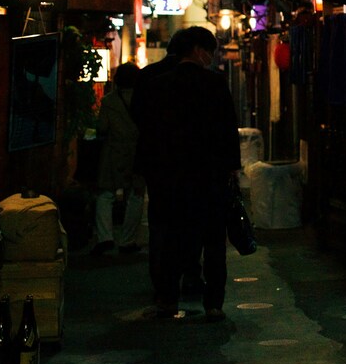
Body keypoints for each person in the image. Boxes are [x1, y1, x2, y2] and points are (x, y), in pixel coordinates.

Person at [131, 26, 240, 320]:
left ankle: (167, 299)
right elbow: (228, 130)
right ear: (197, 49)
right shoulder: (216, 84)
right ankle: (214, 303)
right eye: (210, 50)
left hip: (168, 177)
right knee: (214, 241)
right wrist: (232, 168)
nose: (211, 56)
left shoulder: (158, 85)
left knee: (168, 237)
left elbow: (146, 130)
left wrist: (148, 169)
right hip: (210, 177)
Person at [91, 63, 144, 255]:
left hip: (113, 152)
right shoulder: (144, 100)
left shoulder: (109, 101)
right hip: (137, 152)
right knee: (136, 195)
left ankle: (105, 237)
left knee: (106, 194)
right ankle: (127, 240)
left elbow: (102, 127)